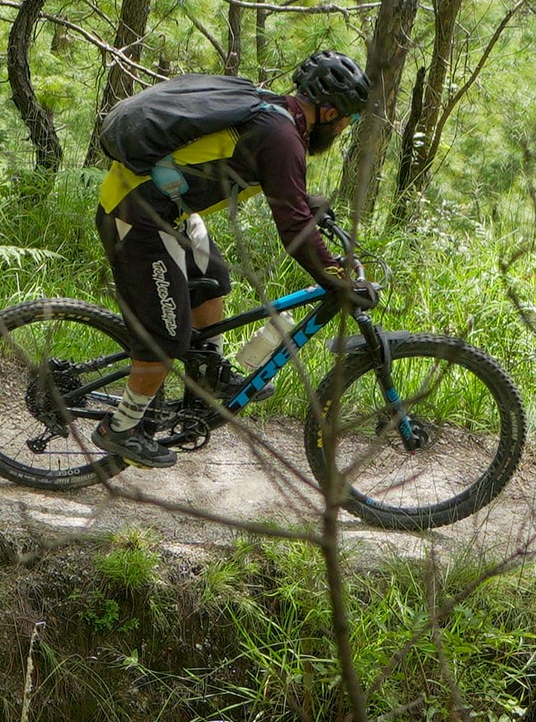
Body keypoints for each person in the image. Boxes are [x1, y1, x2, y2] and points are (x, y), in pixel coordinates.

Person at [85, 47, 376, 468]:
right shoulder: (282, 137)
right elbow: (294, 228)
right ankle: (122, 428)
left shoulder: (277, 117)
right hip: (136, 216)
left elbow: (283, 191)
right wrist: (335, 276)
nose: (346, 128)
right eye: (349, 119)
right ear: (330, 113)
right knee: (166, 335)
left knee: (212, 280)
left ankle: (207, 377)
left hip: (166, 211)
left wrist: (315, 210)